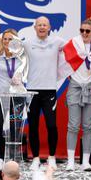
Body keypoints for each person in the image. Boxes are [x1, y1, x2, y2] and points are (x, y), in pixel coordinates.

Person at [24, 16, 65, 170]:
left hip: (50, 91)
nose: (42, 27)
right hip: (32, 91)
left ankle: (52, 157)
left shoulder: (57, 42)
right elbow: (11, 52)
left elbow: (77, 47)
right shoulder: (27, 43)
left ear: (49, 27)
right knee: (33, 126)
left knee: (51, 125)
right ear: (35, 27)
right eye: (39, 25)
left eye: (44, 25)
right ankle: (35, 158)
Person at [65, 18, 91, 171]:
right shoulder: (73, 43)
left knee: (88, 127)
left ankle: (86, 162)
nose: (84, 33)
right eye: (81, 30)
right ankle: (70, 162)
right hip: (75, 87)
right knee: (73, 126)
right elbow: (64, 60)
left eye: (87, 31)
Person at [0, 29, 25, 170]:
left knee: (15, 128)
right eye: (5, 39)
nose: (7, 42)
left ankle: (13, 160)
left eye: (10, 39)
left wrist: (21, 77)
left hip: (16, 96)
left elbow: (27, 72)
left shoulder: (21, 56)